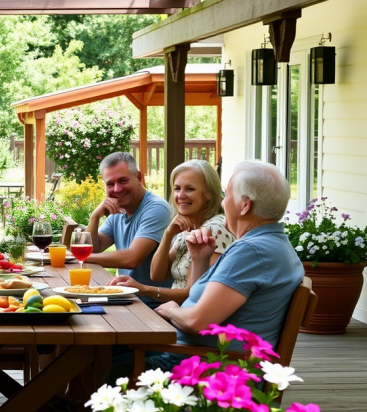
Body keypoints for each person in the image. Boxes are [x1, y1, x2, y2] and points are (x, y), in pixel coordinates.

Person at [108, 160, 305, 379]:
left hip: (207, 368)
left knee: (106, 364)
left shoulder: (252, 252)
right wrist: (199, 259)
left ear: (245, 205)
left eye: (227, 195)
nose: (223, 203)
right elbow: (201, 299)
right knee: (109, 352)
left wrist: (170, 310)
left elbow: (196, 321)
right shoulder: (269, 243)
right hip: (203, 357)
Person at [110, 160, 235, 305]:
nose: (180, 195)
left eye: (190, 189)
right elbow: (157, 275)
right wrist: (168, 234)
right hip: (174, 313)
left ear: (209, 194)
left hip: (188, 319)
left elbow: (193, 294)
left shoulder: (213, 230)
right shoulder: (188, 227)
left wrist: (142, 289)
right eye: (177, 188)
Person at [84, 152, 174, 308]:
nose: (117, 189)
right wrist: (95, 216)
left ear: (139, 177)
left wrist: (82, 257)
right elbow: (94, 247)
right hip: (129, 299)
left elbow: (132, 258)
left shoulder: (156, 208)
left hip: (154, 304)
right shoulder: (118, 209)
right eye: (110, 184)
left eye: (123, 181)